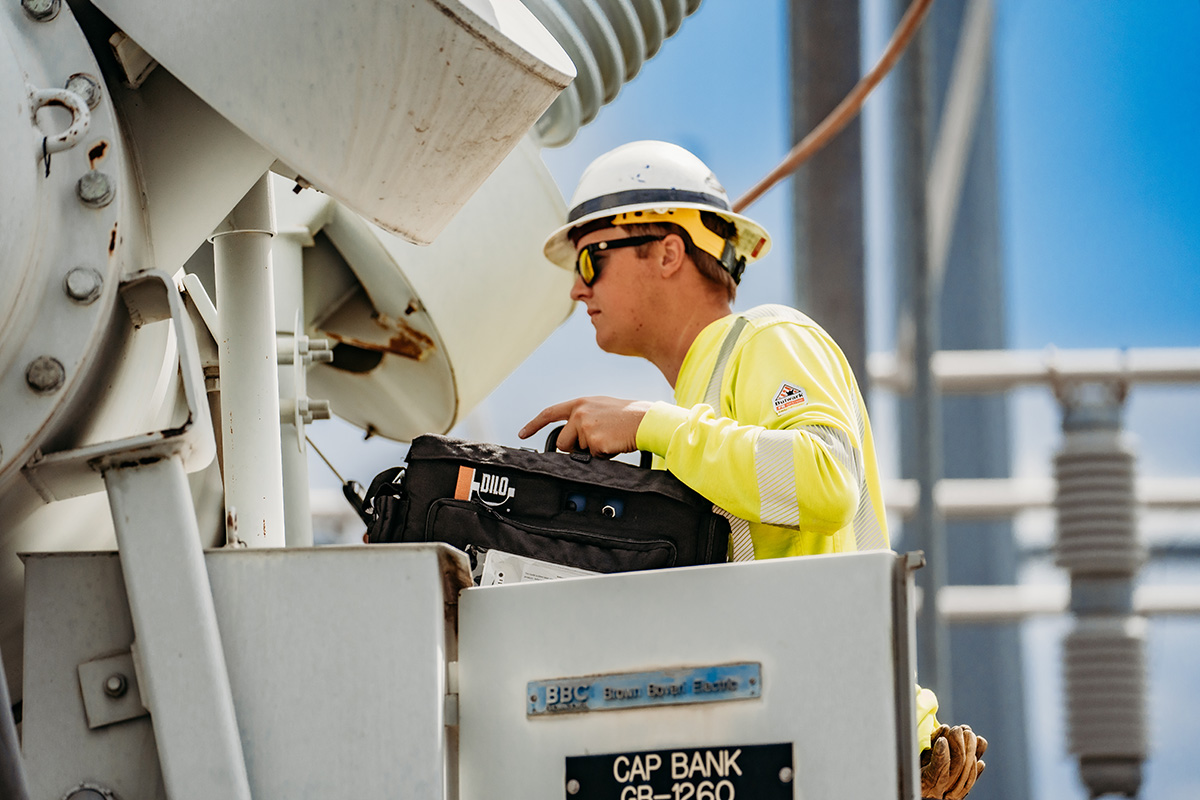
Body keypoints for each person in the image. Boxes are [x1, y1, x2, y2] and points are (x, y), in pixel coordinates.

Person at [519, 141, 986, 799]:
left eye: (592, 257)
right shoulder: (690, 414)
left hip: (836, 738)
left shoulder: (766, 340)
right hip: (777, 741)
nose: (577, 285)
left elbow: (824, 481)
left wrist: (648, 423)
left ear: (669, 251)